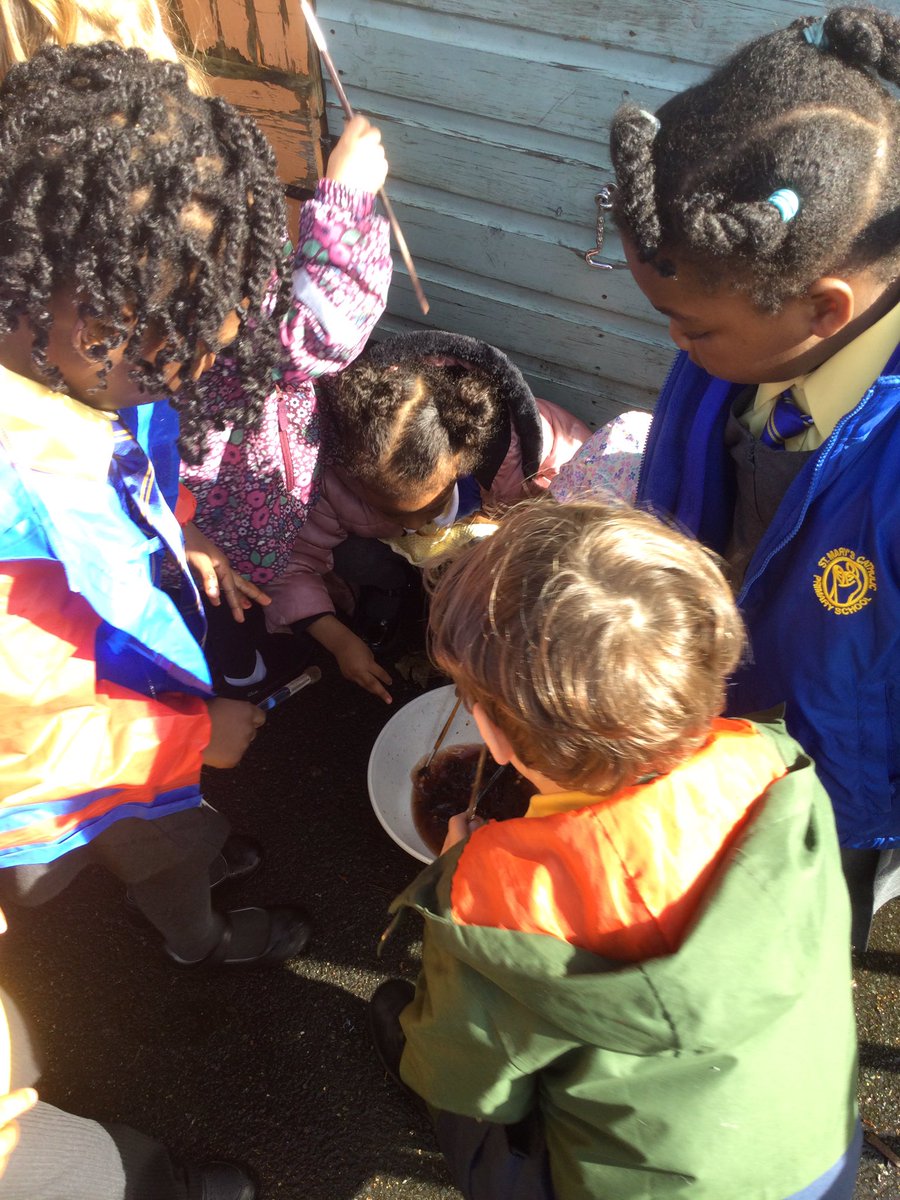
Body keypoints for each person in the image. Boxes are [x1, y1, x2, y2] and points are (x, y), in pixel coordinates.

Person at [370, 498, 860, 1200]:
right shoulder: (774, 766)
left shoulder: (500, 897)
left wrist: (459, 871)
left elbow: (470, 1076)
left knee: (463, 1103)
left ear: (494, 737)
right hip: (816, 1153)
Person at [554, 5, 900, 950]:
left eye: (692, 328)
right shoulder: (737, 349)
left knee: (804, 932)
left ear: (824, 309)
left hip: (836, 766)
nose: (677, 346)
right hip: (725, 693)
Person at [0, 41, 313, 969]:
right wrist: (186, 740)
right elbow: (25, 723)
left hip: (132, 711)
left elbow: (126, 463)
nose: (195, 375)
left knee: (179, 827)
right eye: (184, 351)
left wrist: (185, 523)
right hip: (81, 767)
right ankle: (199, 938)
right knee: (162, 845)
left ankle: (196, 852)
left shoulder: (65, 378)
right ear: (99, 332)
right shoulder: (19, 520)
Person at [180, 113, 392, 690]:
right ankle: (231, 671)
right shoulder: (229, 329)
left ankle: (232, 658)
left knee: (219, 586)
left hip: (206, 519)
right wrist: (345, 197)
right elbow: (322, 330)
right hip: (229, 517)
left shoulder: (160, 315)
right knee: (220, 598)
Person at [264, 331, 590, 702]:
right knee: (356, 558)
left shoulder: (523, 449)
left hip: (490, 536)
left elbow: (583, 490)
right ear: (352, 475)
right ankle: (392, 590)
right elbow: (291, 563)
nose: (420, 527)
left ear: (460, 458)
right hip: (386, 546)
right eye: (394, 512)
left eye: (433, 509)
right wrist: (338, 640)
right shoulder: (330, 480)